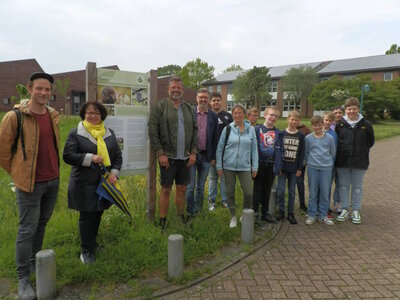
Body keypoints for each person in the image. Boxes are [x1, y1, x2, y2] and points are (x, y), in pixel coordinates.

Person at [0, 72, 60, 300]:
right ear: (29, 88)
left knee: (41, 224)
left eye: (47, 89)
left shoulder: (53, 115)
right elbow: (3, 154)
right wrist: (20, 174)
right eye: (39, 89)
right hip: (29, 185)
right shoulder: (14, 117)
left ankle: (36, 263)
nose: (44, 93)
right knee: (27, 229)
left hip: (53, 180)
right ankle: (23, 278)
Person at [63, 101, 122, 264]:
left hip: (103, 184)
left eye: (96, 113)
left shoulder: (109, 133)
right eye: (89, 113)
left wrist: (114, 174)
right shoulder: (76, 133)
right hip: (83, 183)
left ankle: (93, 244)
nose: (93, 116)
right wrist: (90, 158)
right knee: (87, 216)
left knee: (98, 213)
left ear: (102, 115)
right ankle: (86, 251)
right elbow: (67, 155)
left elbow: (117, 157)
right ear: (84, 115)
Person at [148, 76, 197, 228]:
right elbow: (153, 131)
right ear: (168, 90)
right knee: (166, 189)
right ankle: (162, 221)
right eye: (173, 88)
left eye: (178, 88)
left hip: (185, 158)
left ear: (182, 90)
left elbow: (195, 131)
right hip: (168, 157)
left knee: (182, 189)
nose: (176, 90)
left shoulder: (189, 108)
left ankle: (180, 217)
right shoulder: (160, 107)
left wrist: (194, 152)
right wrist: (160, 153)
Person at [216, 104, 258, 228]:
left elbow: (254, 149)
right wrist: (219, 166)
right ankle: (233, 216)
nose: (237, 115)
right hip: (228, 166)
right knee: (230, 193)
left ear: (244, 114)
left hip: (245, 166)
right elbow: (219, 148)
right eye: (235, 113)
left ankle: (244, 214)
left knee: (249, 193)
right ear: (232, 114)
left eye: (240, 113)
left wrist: (255, 167)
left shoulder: (251, 129)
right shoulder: (228, 129)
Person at [335, 97, 374, 224]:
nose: (352, 111)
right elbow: (336, 142)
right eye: (349, 109)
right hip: (343, 161)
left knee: (357, 187)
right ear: (345, 110)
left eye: (354, 108)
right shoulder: (340, 124)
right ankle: (345, 209)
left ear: (358, 109)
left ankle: (356, 210)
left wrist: (360, 151)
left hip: (360, 161)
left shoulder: (366, 125)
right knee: (344, 186)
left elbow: (370, 141)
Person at [186, 88, 218, 216]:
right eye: (201, 97)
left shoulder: (213, 116)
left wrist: (213, 156)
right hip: (191, 156)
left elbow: (215, 138)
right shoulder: (190, 113)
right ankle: (189, 212)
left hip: (206, 156)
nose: (203, 99)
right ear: (196, 98)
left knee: (200, 187)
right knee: (190, 187)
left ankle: (198, 211)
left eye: (205, 97)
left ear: (208, 100)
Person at [252, 107, 284, 223]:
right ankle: (255, 212)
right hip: (259, 163)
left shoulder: (278, 133)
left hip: (271, 164)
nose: (273, 117)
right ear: (265, 115)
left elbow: (281, 151)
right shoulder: (257, 129)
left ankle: (265, 213)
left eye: (275, 116)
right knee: (257, 189)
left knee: (267, 189)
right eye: (271, 115)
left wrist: (278, 166)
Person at [305, 115, 336, 225]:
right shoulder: (308, 138)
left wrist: (327, 163)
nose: (317, 127)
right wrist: (310, 162)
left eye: (319, 125)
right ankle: (312, 214)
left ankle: (323, 215)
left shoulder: (330, 138)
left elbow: (333, 153)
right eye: (315, 125)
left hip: (326, 169)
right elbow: (307, 152)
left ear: (323, 125)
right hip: (313, 168)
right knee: (313, 192)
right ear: (312, 126)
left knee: (324, 192)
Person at [276, 110, 305, 225]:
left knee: (292, 191)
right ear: (287, 119)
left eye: (296, 120)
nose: (294, 122)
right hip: (283, 168)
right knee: (280, 190)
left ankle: (290, 213)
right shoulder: (282, 134)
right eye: (292, 119)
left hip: (294, 169)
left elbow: (302, 153)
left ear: (299, 122)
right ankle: (281, 211)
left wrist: (299, 169)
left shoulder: (301, 135)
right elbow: (278, 152)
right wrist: (278, 167)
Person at [208, 92, 233, 210]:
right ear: (210, 102)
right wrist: (211, 155)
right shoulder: (207, 115)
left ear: (221, 101)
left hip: (226, 153)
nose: (216, 102)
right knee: (213, 178)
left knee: (224, 178)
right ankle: (211, 201)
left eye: (218, 100)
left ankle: (225, 200)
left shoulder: (228, 116)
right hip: (212, 153)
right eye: (213, 100)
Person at [296, 122, 311, 212]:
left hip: (301, 161)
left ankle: (302, 203)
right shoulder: (289, 128)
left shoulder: (306, 130)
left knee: (300, 182)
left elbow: (307, 146)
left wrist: (305, 159)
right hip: (290, 161)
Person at [331, 106, 343, 212]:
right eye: (335, 112)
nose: (338, 114)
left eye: (340, 112)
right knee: (327, 182)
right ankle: (324, 203)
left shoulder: (345, 125)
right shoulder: (327, 125)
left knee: (339, 182)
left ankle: (337, 203)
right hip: (329, 160)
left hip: (341, 159)